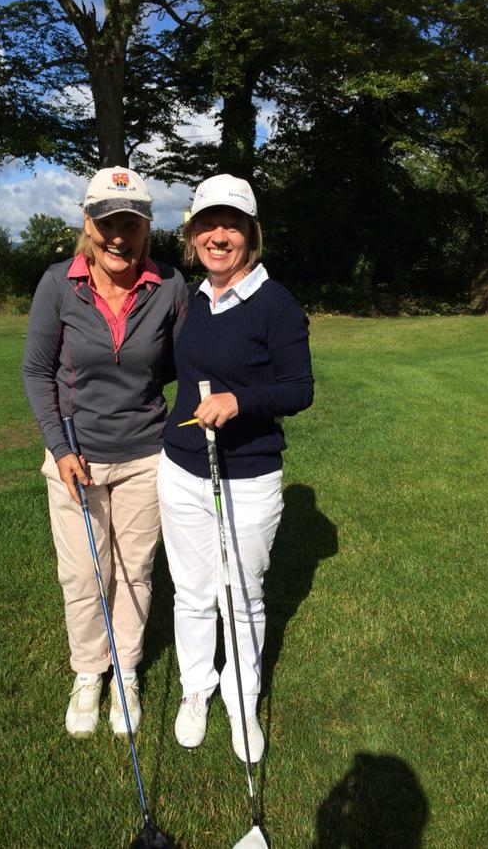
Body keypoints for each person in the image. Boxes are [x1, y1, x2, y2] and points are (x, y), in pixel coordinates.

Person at [22, 166, 187, 739]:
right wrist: (59, 447)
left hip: (146, 455)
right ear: (88, 225)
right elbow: (36, 370)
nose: (120, 236)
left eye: (132, 224)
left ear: (147, 230)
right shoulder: (56, 283)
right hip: (75, 459)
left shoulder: (170, 285)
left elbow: (182, 367)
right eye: (108, 222)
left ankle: (127, 671)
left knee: (135, 572)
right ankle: (89, 672)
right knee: (84, 575)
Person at [157, 174, 314, 763]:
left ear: (251, 234)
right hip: (181, 469)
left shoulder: (277, 304)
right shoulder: (192, 297)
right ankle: (197, 689)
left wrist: (239, 400)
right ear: (192, 231)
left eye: (232, 226)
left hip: (247, 474)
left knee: (242, 597)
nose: (218, 237)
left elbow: (299, 388)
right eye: (207, 224)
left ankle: (241, 700)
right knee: (193, 594)